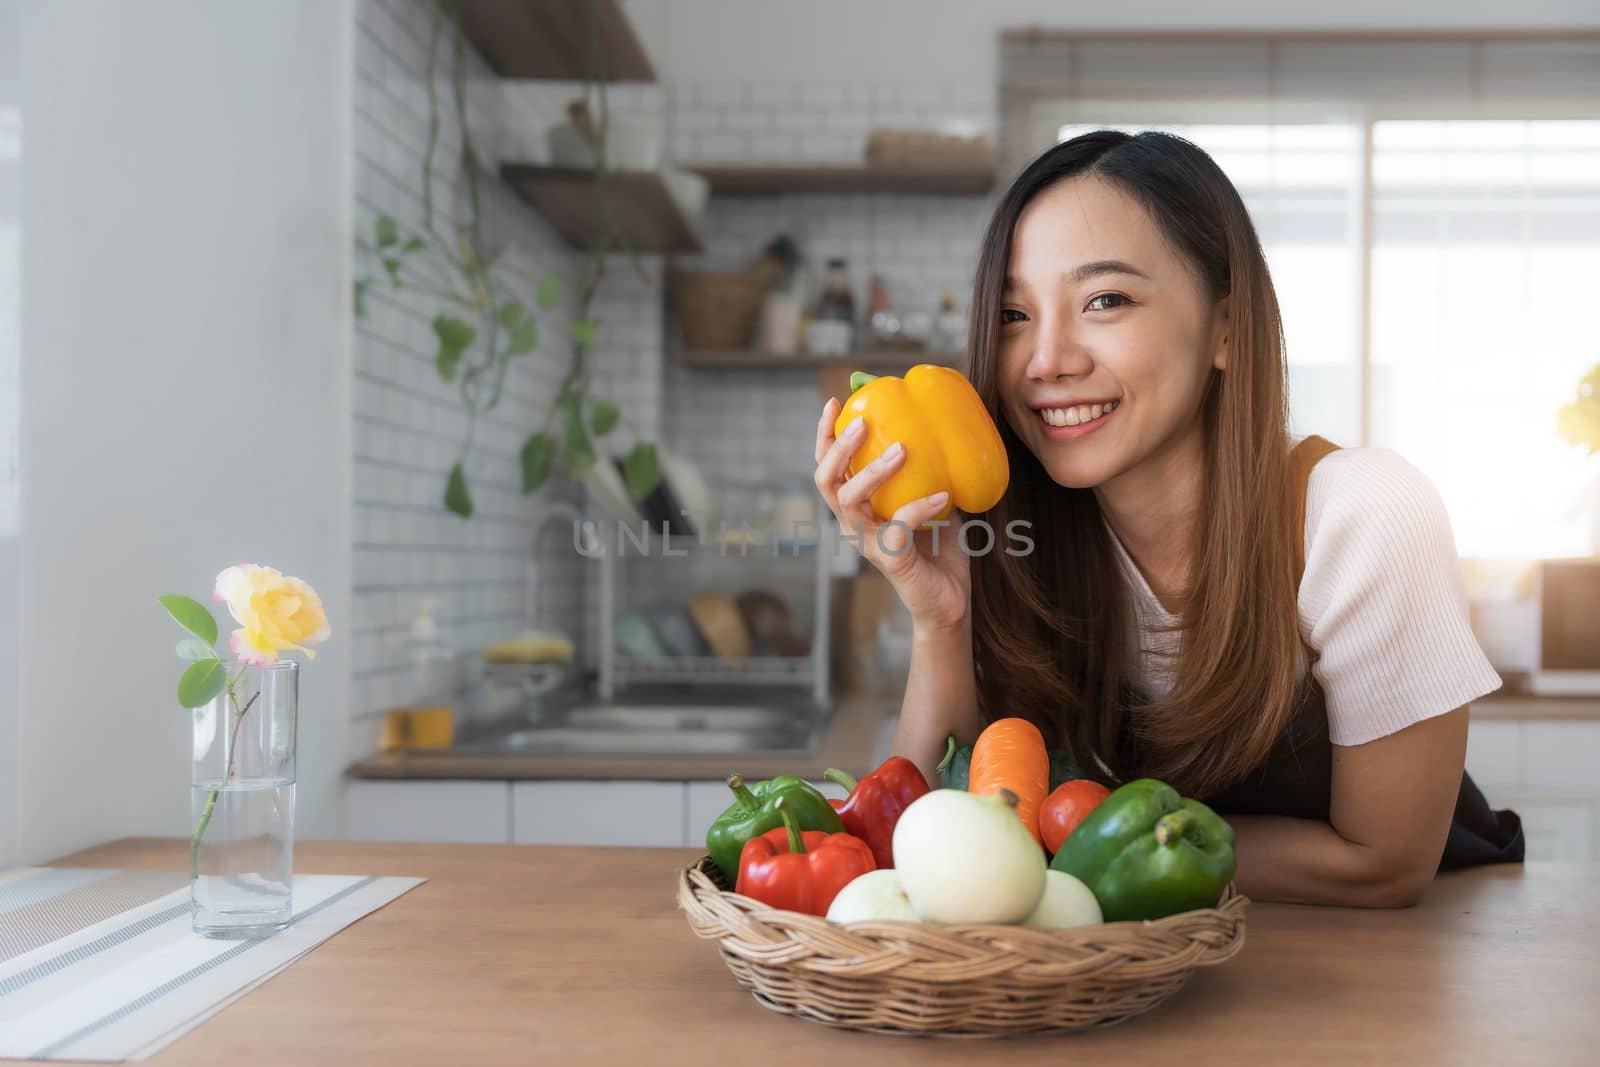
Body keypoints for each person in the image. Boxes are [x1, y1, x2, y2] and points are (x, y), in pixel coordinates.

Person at [812, 130, 1521, 907]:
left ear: (1225, 327)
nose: (1045, 360)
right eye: (1014, 313)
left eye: (1104, 300)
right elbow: (922, 838)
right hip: (1135, 982)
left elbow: (1383, 863)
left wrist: (1060, 856)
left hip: (1369, 977)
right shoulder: (1015, 533)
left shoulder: (1361, 513)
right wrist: (939, 617)